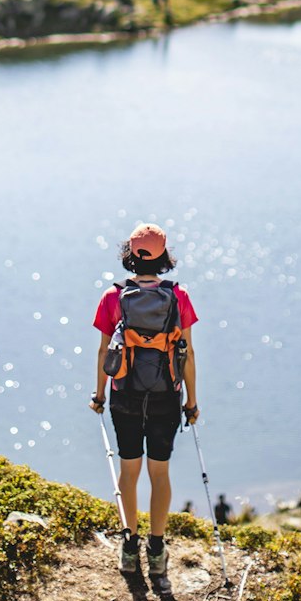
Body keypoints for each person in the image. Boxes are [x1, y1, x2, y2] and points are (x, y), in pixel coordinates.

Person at [91, 221, 198, 578]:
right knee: (160, 472)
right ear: (164, 256)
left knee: (129, 471)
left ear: (130, 255)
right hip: (167, 395)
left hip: (125, 395)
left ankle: (128, 545)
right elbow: (188, 353)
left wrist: (100, 394)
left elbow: (106, 349)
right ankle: (156, 548)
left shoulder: (112, 297)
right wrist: (192, 403)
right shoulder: (178, 296)